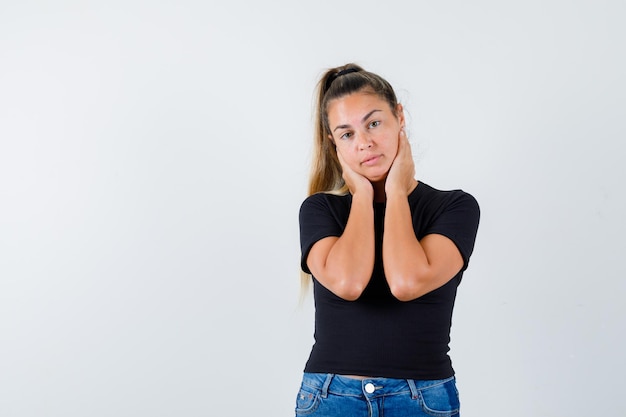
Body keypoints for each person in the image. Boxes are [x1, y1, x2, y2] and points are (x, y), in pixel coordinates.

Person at [294, 63, 480, 417]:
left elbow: (407, 282)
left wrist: (396, 191)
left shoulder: (454, 206)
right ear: (334, 145)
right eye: (346, 134)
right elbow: (348, 282)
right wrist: (362, 195)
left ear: (399, 117)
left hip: (422, 399)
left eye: (374, 123)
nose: (364, 142)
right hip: (330, 398)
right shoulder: (320, 210)